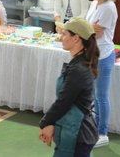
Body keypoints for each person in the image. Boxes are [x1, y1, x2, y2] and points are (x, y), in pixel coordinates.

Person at [39, 17, 99, 157]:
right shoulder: (80, 63)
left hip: (78, 134)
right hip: (78, 132)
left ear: (76, 38)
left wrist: (45, 123)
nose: (61, 38)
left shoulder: (78, 69)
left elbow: (63, 102)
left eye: (64, 34)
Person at [85, 0, 118, 148]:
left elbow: (95, 33)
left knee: (101, 96)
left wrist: (86, 28)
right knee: (95, 97)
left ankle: (103, 133)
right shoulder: (94, 4)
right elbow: (88, 28)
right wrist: (88, 27)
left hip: (104, 56)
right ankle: (96, 128)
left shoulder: (108, 7)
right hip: (93, 55)